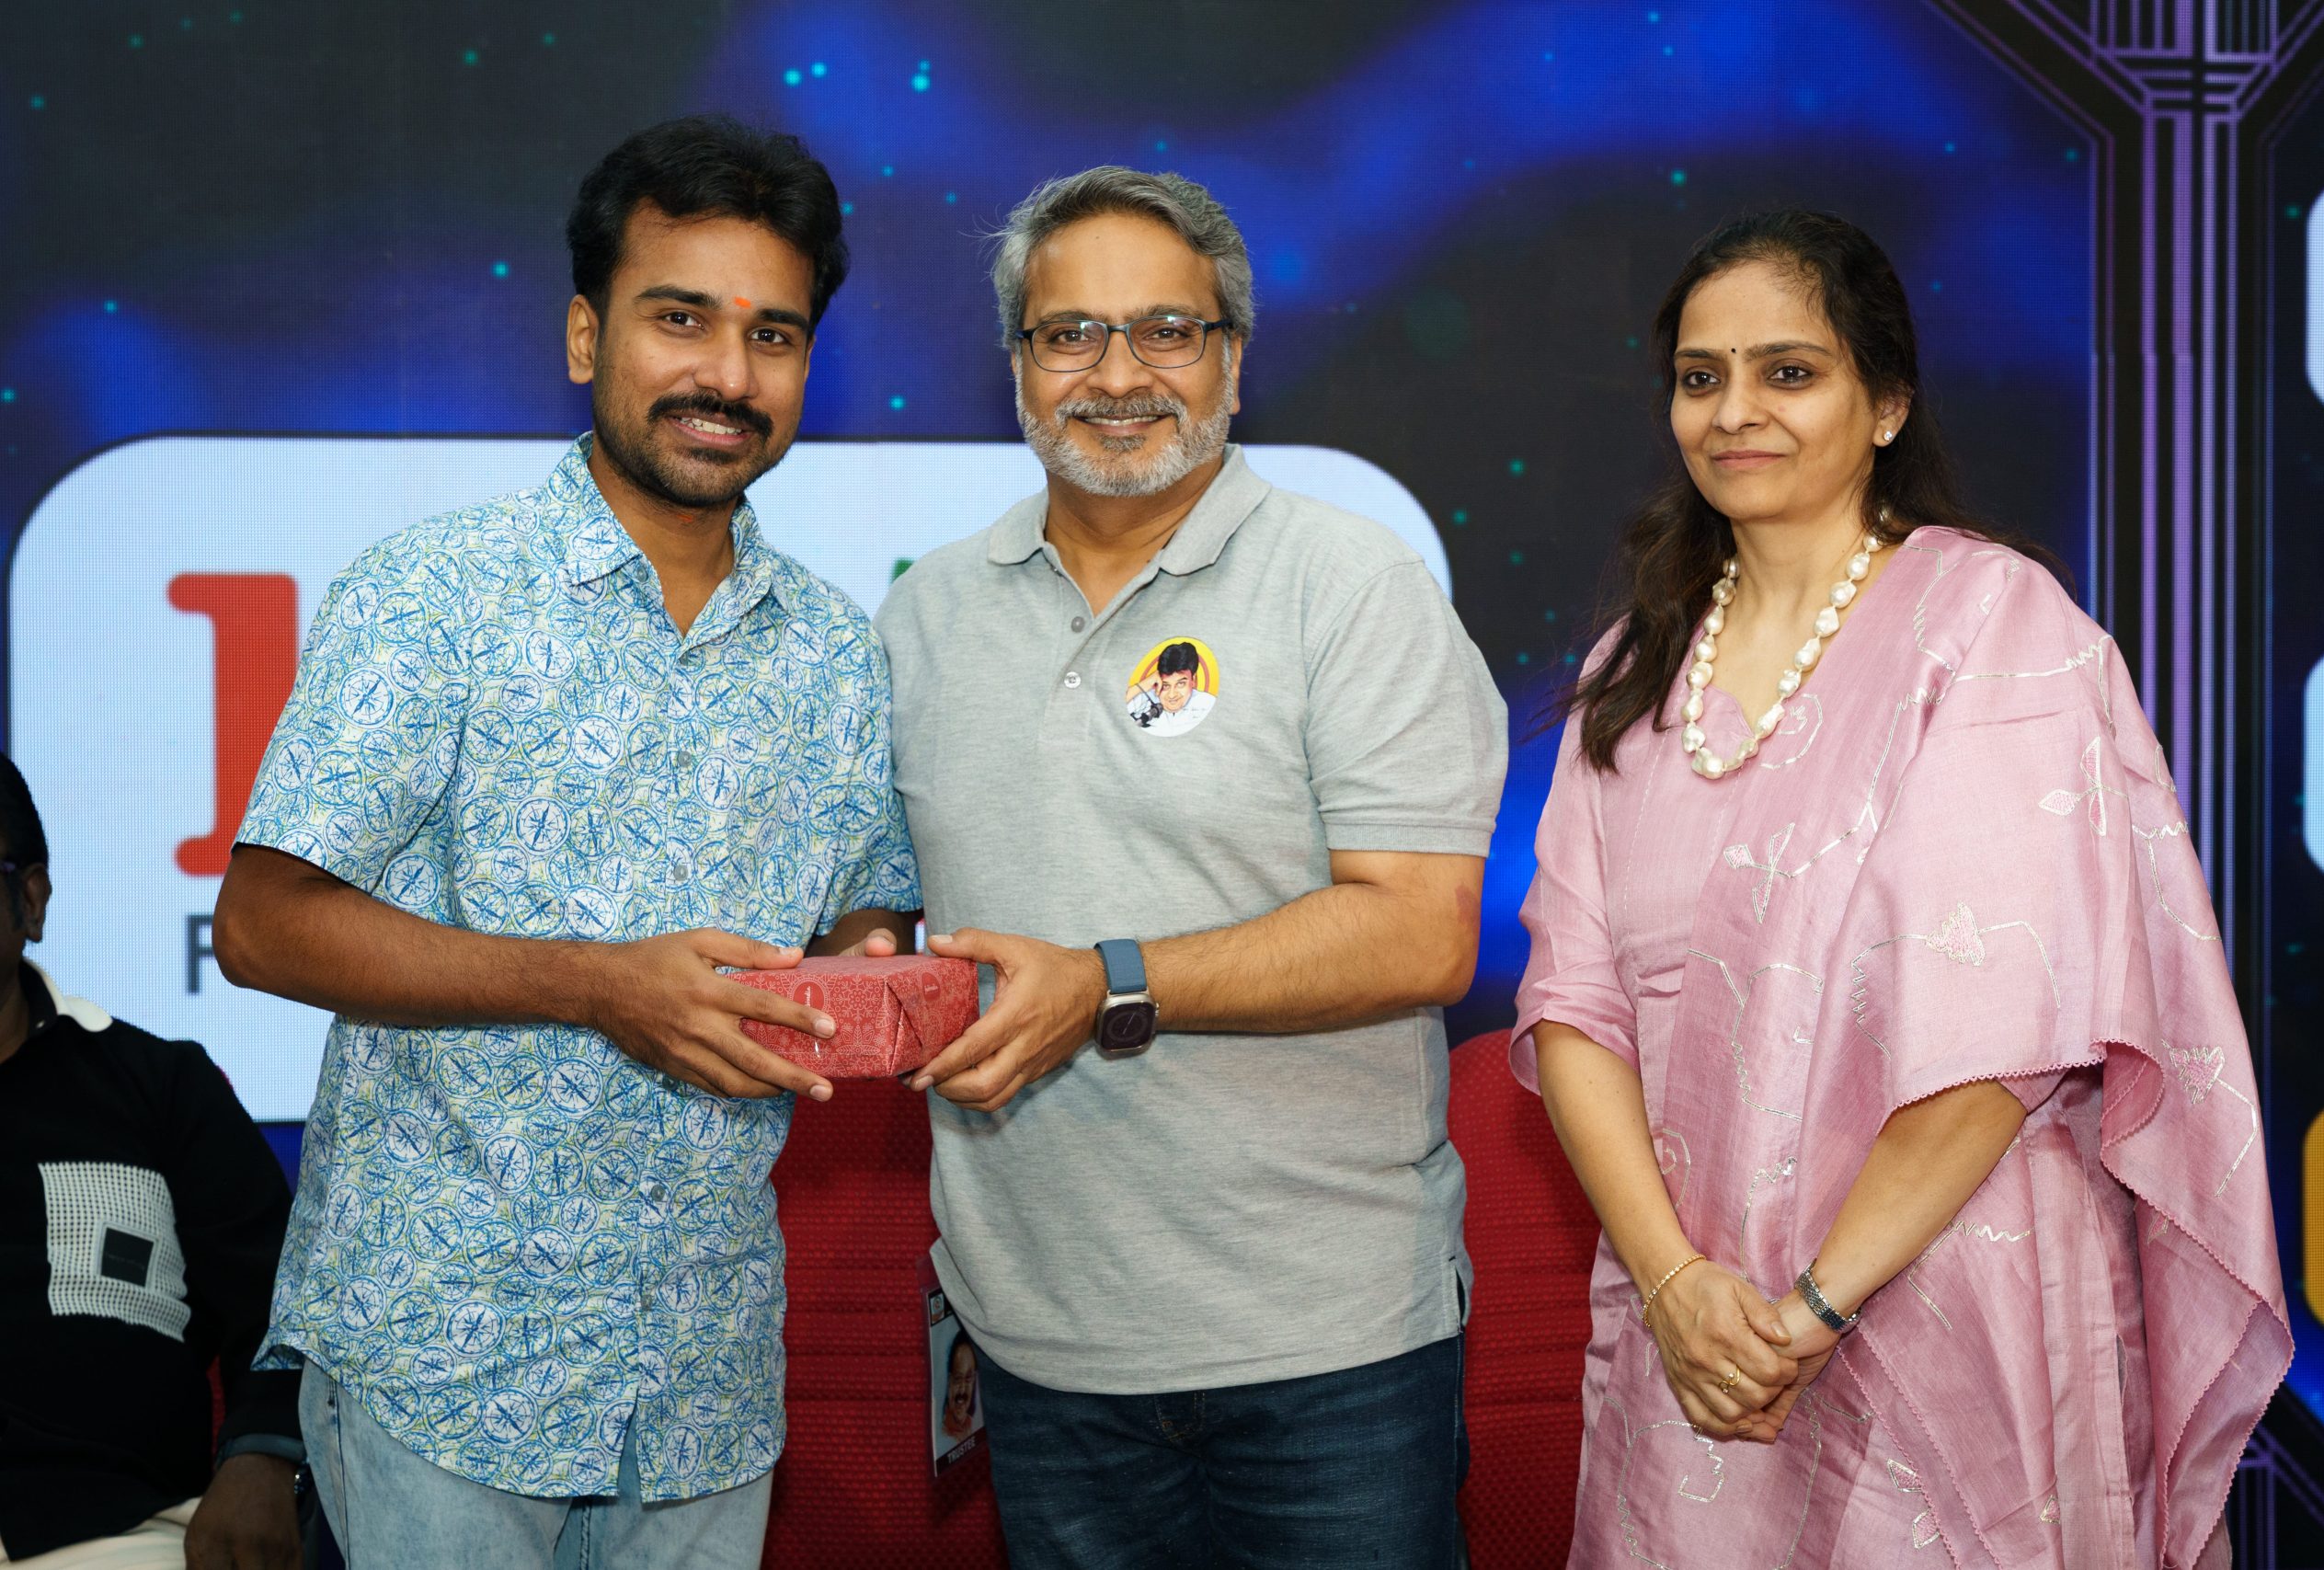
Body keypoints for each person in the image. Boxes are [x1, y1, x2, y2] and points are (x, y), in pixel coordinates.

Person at [1515, 209, 2288, 1567]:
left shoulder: (1993, 627)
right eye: (1700, 377)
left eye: (1789, 371)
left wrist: (1813, 1308)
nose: (1735, 411)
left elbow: (2007, 1029)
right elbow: (1574, 1008)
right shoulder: (1631, 671)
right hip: (1697, 1334)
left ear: (1885, 404)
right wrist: (1682, 1289)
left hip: (1943, 1299)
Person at [211, 116, 920, 1565]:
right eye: (682, 318)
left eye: (773, 335)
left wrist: (872, 970)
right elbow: (264, 922)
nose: (728, 375)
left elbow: (862, 916)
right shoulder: (433, 594)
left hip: (707, 1373)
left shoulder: (836, 653)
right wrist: (598, 983)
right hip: (443, 1357)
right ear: (588, 335)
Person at [875, 166, 1508, 1569]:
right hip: (1039, 1342)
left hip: (1329, 1348)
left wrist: (1108, 982)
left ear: (1232, 354)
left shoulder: (1352, 587)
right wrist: (864, 960)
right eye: (1070, 334)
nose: (1118, 375)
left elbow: (1422, 932)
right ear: (1017, 362)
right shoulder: (922, 617)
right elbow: (888, 908)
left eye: (1167, 329)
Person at [0, 756, 305, 1570]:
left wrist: (263, 1456)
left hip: (116, 1533)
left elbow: (280, 1303)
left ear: (30, 899)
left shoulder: (161, 1087)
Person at [940, 1329, 979, 1444]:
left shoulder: (973, 1427)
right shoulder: (942, 1433)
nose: (962, 1389)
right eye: (957, 1379)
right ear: (949, 1382)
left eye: (968, 1379)